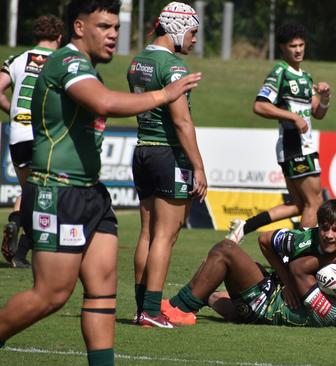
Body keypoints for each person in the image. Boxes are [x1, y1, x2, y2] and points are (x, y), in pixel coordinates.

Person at [0, 1, 201, 365]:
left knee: (102, 293)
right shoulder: (68, 62)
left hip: (90, 192)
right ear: (78, 27)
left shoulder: (90, 67)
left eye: (116, 28)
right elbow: (104, 103)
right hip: (56, 189)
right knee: (52, 294)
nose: (113, 35)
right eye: (104, 27)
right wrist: (163, 95)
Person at [128, 1, 207, 329]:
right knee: (166, 233)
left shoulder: (137, 62)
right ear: (176, 28)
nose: (194, 40)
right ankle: (151, 310)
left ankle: (140, 308)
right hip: (168, 154)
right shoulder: (173, 67)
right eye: (192, 32)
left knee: (147, 233)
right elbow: (182, 123)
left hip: (142, 150)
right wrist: (199, 166)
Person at [225, 22, 331, 243]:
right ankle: (300, 255)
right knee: (315, 202)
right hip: (295, 144)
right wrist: (292, 117)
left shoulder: (305, 76)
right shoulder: (280, 72)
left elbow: (317, 113)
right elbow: (260, 105)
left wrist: (326, 98)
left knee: (299, 205)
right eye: (293, 46)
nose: (298, 50)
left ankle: (245, 226)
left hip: (301, 145)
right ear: (283, 47)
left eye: (301, 45)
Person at [161, 237, 336, 327]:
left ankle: (181, 307)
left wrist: (334, 258)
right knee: (218, 282)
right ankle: (207, 294)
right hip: (254, 311)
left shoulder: (328, 311)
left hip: (264, 302)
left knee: (225, 250)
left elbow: (297, 269)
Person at [0, 15, 63, 268]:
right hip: (46, 135)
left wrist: (12, 111)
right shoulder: (61, 60)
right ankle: (25, 247)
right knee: (50, 194)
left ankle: (17, 226)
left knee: (29, 191)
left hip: (18, 134)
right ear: (59, 37)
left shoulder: (17, 59)